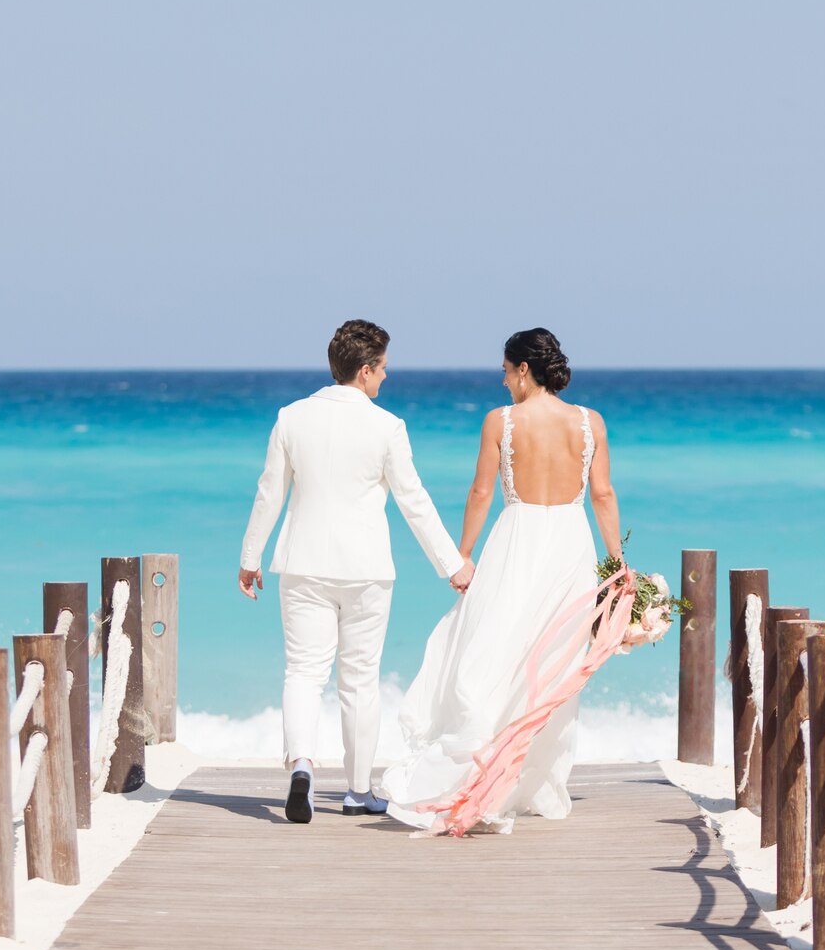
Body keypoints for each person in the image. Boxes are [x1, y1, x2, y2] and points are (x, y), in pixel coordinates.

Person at [381, 327, 622, 833]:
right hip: (571, 546)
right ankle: (531, 781)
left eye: (507, 372)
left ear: (524, 370)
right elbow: (602, 494)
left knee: (492, 650)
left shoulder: (501, 421)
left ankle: (480, 767)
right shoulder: (591, 422)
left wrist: (463, 554)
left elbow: (480, 492)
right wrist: (616, 562)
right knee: (552, 663)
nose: (504, 381)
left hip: (516, 541)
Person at [238, 319, 475, 823]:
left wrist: (250, 557)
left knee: (303, 672)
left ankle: (302, 766)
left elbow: (269, 492)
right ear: (365, 370)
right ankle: (358, 791)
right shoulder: (387, 426)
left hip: (302, 564)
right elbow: (414, 502)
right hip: (366, 570)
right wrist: (451, 565)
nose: (386, 376)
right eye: (383, 367)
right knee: (360, 681)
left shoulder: (291, 417)